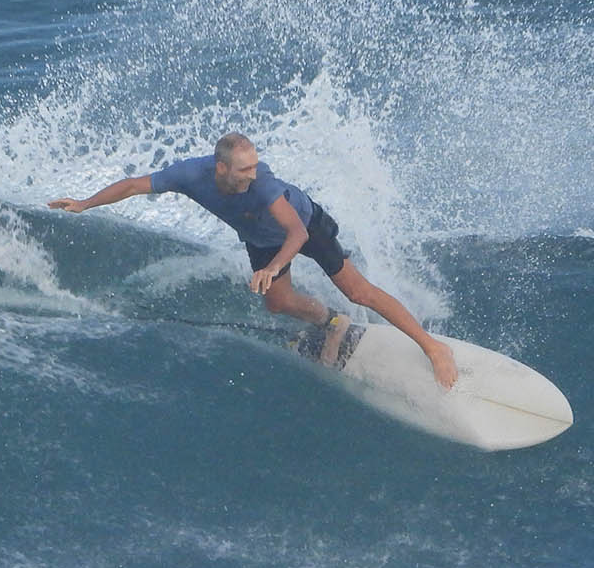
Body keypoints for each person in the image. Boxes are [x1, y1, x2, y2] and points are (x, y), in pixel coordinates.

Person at [49, 132, 457, 389]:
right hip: (260, 238)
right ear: (221, 168)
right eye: (244, 169)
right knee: (278, 303)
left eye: (255, 165)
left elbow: (296, 233)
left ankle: (432, 347)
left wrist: (273, 267)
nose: (252, 173)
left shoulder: (264, 186)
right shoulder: (190, 175)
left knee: (358, 290)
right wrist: (85, 203)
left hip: (306, 225)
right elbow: (134, 186)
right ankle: (334, 323)